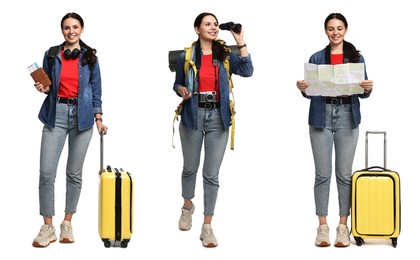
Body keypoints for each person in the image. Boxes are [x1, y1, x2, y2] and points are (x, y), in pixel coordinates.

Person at [173, 12, 253, 247]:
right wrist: (181, 91)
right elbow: (176, 83)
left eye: (216, 24)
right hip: (192, 115)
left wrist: (240, 41)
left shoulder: (225, 54)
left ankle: (207, 226)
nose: (213, 27)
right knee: (190, 168)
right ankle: (187, 206)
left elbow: (248, 71)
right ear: (197, 28)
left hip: (219, 117)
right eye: (208, 24)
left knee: (211, 174)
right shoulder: (186, 56)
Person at [296, 13, 373, 248]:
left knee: (344, 174)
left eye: (339, 28)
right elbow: (310, 92)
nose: (335, 32)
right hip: (321, 115)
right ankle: (322, 227)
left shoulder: (356, 57)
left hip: (347, 116)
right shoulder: (317, 57)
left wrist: (367, 88)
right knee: (322, 174)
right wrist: (303, 88)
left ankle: (342, 226)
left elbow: (364, 91)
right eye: (331, 28)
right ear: (326, 31)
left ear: (346, 30)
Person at [32, 12, 108, 247]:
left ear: (81, 29)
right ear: (62, 30)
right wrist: (42, 87)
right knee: (46, 172)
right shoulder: (52, 54)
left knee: (74, 173)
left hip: (83, 118)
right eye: (67, 27)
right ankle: (48, 226)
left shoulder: (91, 57)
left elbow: (96, 89)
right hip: (56, 115)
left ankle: (67, 223)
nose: (71, 31)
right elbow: (48, 86)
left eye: (75, 27)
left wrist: (99, 118)